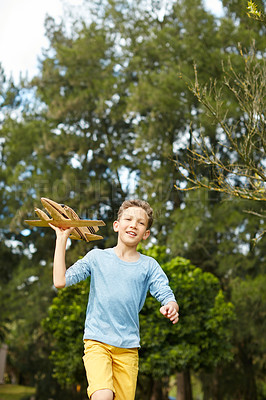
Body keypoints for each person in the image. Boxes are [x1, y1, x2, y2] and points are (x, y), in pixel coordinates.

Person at [51, 199, 179, 400]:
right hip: (97, 342)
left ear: (145, 234)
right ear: (117, 225)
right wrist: (61, 239)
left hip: (128, 350)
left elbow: (166, 295)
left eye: (140, 222)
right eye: (128, 219)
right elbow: (60, 281)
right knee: (102, 396)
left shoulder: (149, 266)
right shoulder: (96, 258)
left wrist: (171, 306)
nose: (133, 224)